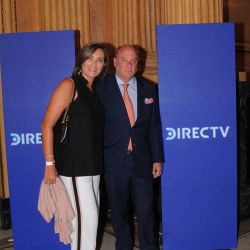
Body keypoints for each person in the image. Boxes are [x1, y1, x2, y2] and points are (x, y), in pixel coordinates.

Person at [41, 43, 108, 250]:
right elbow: (46, 125)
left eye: (100, 60)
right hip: (75, 168)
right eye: (90, 58)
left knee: (90, 224)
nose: (94, 64)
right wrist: (49, 163)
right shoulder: (69, 84)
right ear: (81, 61)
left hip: (93, 167)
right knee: (83, 227)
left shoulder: (93, 89)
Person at [96, 45, 164, 250]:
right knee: (118, 211)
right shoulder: (100, 89)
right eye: (124, 60)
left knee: (146, 211)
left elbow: (153, 127)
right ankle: (123, 246)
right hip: (113, 161)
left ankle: (149, 247)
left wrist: (157, 158)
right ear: (115, 62)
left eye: (134, 60)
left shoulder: (149, 89)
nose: (129, 64)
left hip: (142, 161)